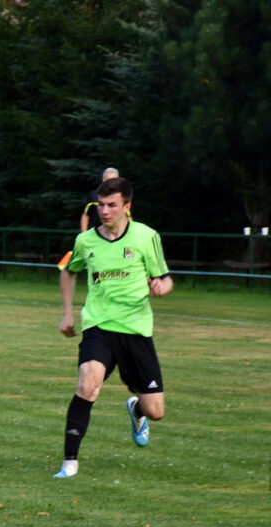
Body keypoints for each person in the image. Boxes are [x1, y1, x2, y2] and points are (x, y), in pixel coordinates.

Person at [56, 176, 172, 478]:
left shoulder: (147, 237)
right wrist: (68, 313)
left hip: (136, 330)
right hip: (99, 325)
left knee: (156, 411)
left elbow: (166, 278)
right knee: (88, 382)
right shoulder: (85, 241)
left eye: (111, 205)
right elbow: (68, 272)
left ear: (127, 207)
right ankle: (69, 462)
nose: (104, 211)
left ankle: (137, 410)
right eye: (101, 205)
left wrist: (161, 286)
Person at [79, 167, 119, 232]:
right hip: (94, 236)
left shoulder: (121, 197)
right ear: (103, 180)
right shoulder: (93, 195)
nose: (109, 182)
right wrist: (83, 234)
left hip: (115, 236)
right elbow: (85, 215)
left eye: (112, 180)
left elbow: (127, 217)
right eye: (107, 180)